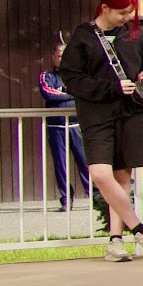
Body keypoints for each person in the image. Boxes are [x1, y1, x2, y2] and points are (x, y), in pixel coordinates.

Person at [55, 0, 143, 262]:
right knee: (101, 174)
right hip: (96, 116)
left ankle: (115, 242)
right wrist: (111, 88)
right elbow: (72, 78)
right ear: (104, 8)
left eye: (131, 12)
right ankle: (140, 230)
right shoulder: (83, 36)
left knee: (121, 177)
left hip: (129, 113)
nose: (127, 18)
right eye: (121, 13)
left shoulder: (132, 34)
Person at [38, 44, 92, 214]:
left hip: (77, 125)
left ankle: (95, 197)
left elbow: (85, 92)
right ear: (54, 57)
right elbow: (47, 93)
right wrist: (70, 93)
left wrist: (64, 91)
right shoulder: (46, 76)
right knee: (61, 165)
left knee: (85, 163)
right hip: (56, 127)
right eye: (60, 55)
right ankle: (66, 199)